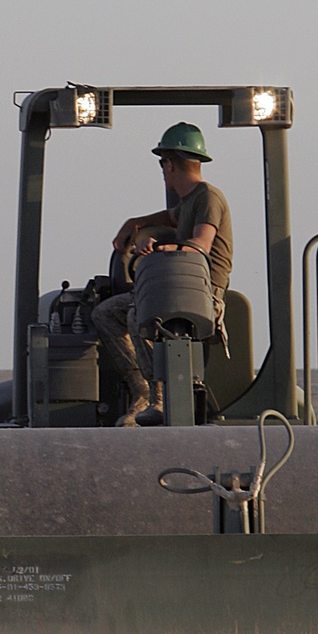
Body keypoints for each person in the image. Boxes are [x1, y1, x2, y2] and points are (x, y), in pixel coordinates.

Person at [91, 123, 232, 426]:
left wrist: (159, 248)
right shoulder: (190, 200)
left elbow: (200, 246)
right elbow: (172, 217)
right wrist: (136, 224)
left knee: (139, 316)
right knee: (105, 313)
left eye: (162, 163)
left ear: (170, 163)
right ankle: (140, 387)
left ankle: (160, 399)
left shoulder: (209, 197)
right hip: (174, 286)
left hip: (200, 292)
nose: (162, 170)